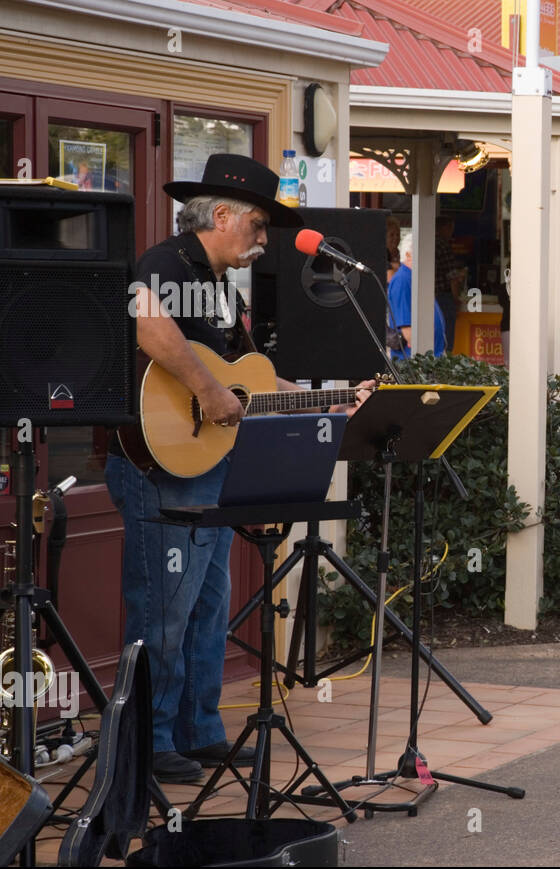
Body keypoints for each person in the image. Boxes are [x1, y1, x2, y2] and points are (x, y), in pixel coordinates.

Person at [106, 154, 370, 783]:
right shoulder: (165, 263)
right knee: (164, 607)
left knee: (206, 603)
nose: (262, 237)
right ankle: (151, 739)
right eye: (256, 223)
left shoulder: (224, 290)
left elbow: (248, 379)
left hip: (207, 462)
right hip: (161, 460)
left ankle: (198, 731)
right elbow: (150, 327)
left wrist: (326, 399)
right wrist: (205, 389)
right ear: (219, 214)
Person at [387, 231, 446, 358]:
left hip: (429, 358)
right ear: (408, 255)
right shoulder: (402, 280)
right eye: (422, 253)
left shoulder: (416, 278)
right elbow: (408, 332)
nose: (429, 257)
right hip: (415, 362)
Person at [434, 216, 464, 353]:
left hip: (432, 296)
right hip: (443, 297)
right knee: (447, 341)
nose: (451, 232)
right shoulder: (443, 245)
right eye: (450, 228)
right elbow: (452, 277)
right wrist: (456, 298)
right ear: (444, 228)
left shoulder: (430, 242)